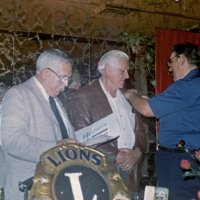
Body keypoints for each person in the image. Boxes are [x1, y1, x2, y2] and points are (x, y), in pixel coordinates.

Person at [125, 42, 200, 200]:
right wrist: (153, 102)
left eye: (171, 61)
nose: (170, 68)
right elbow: (180, 111)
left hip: (180, 161)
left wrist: (131, 96)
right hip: (184, 158)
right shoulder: (192, 85)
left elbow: (146, 109)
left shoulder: (187, 86)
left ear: (182, 59)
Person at [0, 48, 77, 200]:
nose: (66, 84)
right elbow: (11, 141)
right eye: (63, 78)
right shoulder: (18, 94)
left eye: (67, 78)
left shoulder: (55, 100)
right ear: (46, 74)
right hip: (26, 189)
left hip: (54, 187)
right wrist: (56, 148)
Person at [70, 50, 146, 195]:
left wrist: (137, 152)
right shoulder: (85, 96)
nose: (127, 76)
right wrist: (116, 155)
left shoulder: (129, 96)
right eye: (123, 71)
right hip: (102, 173)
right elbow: (82, 138)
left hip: (131, 174)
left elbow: (140, 132)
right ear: (107, 69)